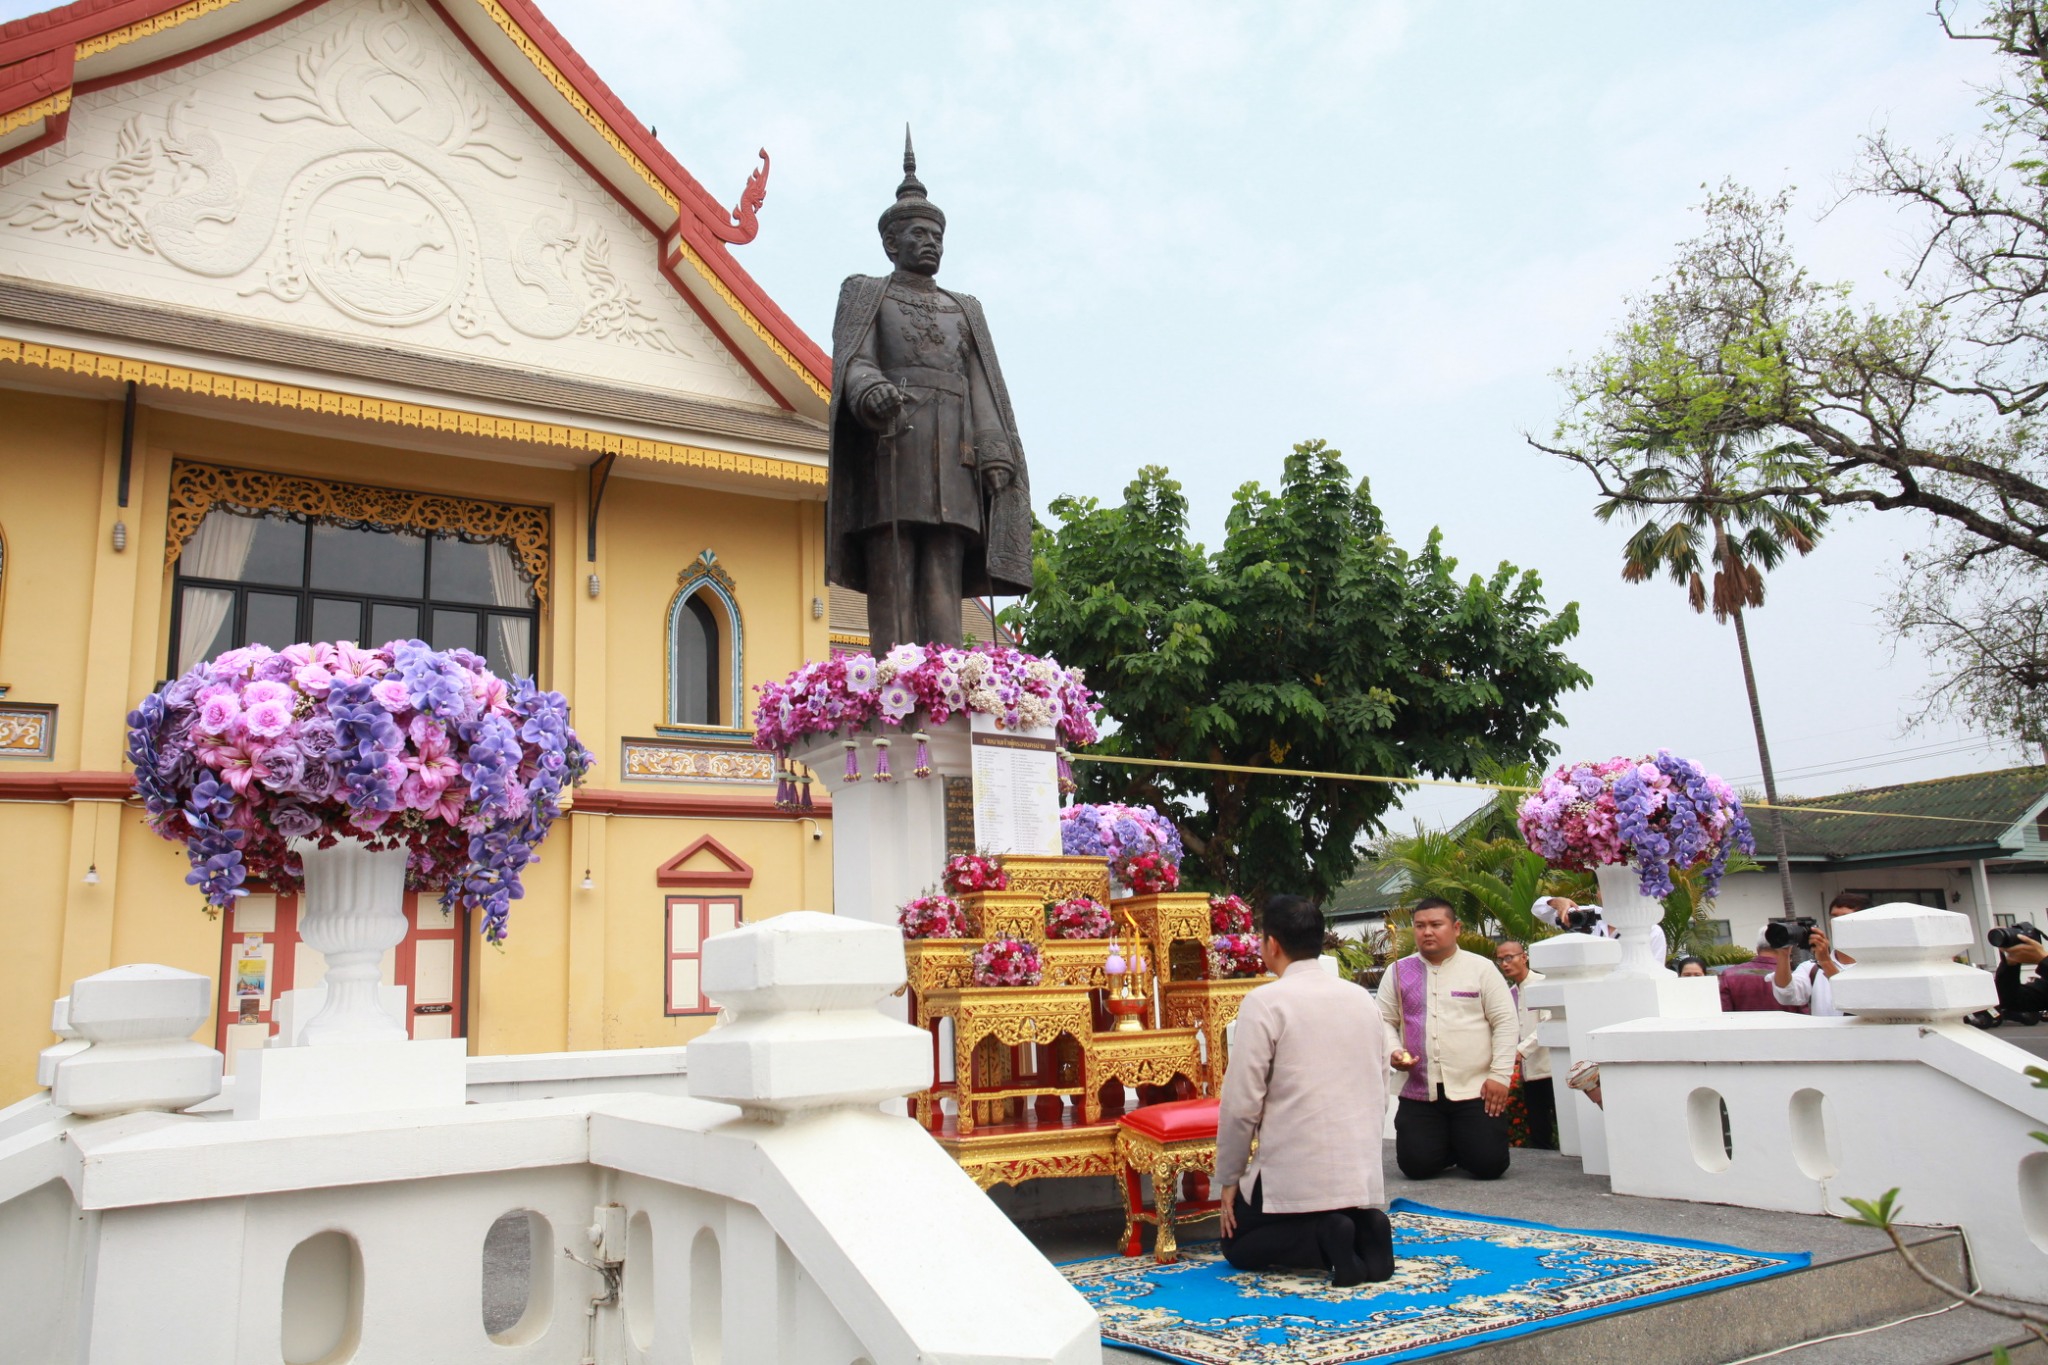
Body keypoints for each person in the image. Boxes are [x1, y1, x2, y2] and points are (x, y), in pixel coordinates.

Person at [826, 133, 1033, 656]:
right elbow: (855, 361)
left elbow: (982, 384)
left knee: (943, 572)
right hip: (894, 449)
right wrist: (869, 390)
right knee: (893, 570)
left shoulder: (963, 309)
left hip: (955, 462)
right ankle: (895, 676)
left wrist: (994, 450)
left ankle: (945, 679)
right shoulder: (866, 293)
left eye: (937, 235)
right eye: (919, 233)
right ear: (892, 243)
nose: (931, 243)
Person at [1217, 895, 1394, 1285]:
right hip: (1355, 1167)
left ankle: (1324, 1238)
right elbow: (1381, 1084)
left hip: (1294, 1168)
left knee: (1237, 1244)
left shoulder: (1265, 1002)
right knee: (1335, 1210)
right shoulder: (1361, 1001)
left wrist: (1230, 1179)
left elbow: (1242, 1103)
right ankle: (1368, 1225)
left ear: (1272, 944)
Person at [1376, 898, 1519, 1181]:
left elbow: (1505, 1022)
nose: (1427, 932)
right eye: (1420, 926)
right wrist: (1394, 1051)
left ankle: (1463, 1143)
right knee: (1416, 1167)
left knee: (1488, 1166)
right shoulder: (1397, 971)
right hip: (1420, 1089)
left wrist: (1500, 1077)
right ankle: (1447, 1145)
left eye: (1435, 925)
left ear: (1455, 928)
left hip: (1475, 1088)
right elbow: (1382, 1022)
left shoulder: (1481, 969)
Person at [1494, 939, 1556, 1150]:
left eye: (1509, 957)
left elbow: (1549, 1022)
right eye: (1500, 959)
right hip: (1529, 1070)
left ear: (1524, 957)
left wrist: (1520, 1050)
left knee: (1561, 1117)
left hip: (1551, 1065)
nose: (1504, 964)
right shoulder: (1510, 993)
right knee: (1538, 1122)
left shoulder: (1542, 983)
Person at [1773, 893, 1869, 1018]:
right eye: (1833, 917)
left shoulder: (1875, 967)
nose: (1836, 923)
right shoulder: (1811, 968)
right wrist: (1783, 954)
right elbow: (1786, 995)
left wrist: (1826, 962)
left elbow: (1856, 1002)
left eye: (1845, 917)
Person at [1719, 928, 1804, 1013]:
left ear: (1758, 949)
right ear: (1787, 949)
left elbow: (1724, 1015)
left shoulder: (1729, 975)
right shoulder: (1796, 978)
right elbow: (1806, 1016)